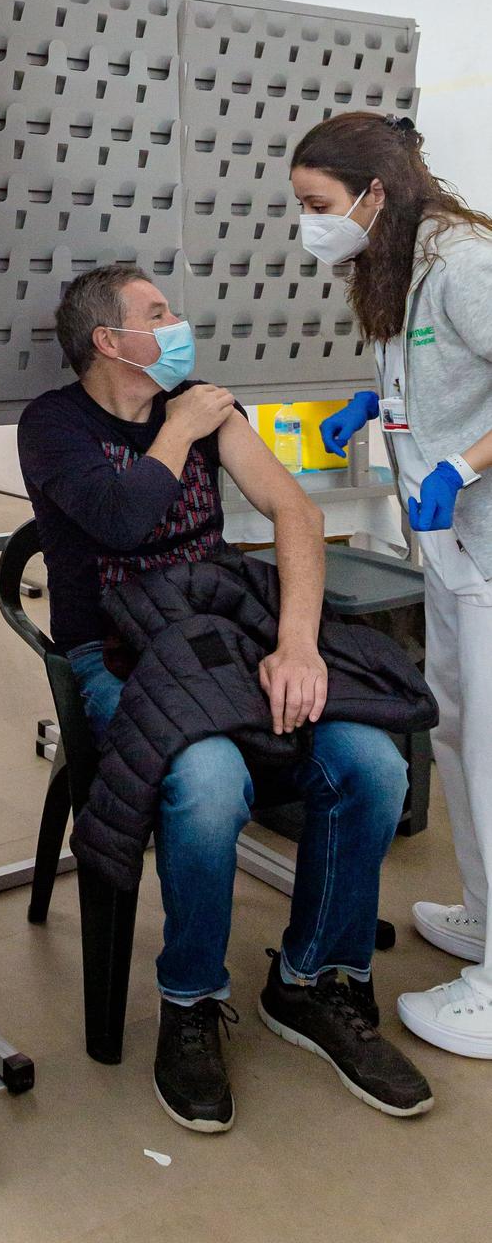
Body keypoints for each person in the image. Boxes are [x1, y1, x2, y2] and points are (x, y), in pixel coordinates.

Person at [19, 262, 432, 1132]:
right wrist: (177, 431)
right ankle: (190, 1001)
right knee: (207, 783)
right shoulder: (52, 425)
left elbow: (294, 513)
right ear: (109, 342)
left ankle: (313, 981)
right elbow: (125, 519)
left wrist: (294, 647)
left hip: (220, 634)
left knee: (371, 765)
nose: (179, 324)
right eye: (158, 314)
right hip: (119, 652)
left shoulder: (206, 406)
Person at [293, 111, 492, 1060]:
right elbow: (439, 365)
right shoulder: (399, 258)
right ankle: (485, 917)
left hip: (486, 539)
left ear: (373, 191)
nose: (310, 224)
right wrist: (380, 405)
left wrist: (464, 464)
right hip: (451, 551)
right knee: (455, 730)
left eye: (316, 205)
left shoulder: (463, 262)